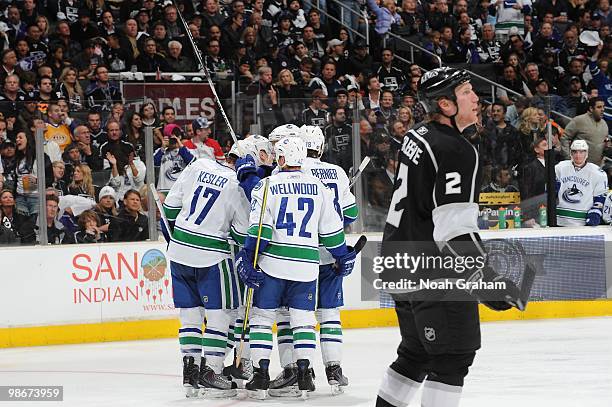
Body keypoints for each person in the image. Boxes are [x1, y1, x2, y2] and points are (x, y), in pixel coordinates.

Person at [377, 67, 523, 407]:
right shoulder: (456, 150)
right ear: (445, 104)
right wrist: (487, 280)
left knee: (415, 354)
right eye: (467, 92)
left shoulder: (417, 135)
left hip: (397, 260)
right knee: (453, 359)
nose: (477, 99)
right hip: (432, 270)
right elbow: (453, 230)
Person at [235, 136, 356, 399]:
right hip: (307, 267)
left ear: (280, 158)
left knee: (262, 319)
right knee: (303, 322)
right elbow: (333, 235)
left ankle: (261, 375)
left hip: (273, 265)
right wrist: (343, 255)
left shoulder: (266, 185)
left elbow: (260, 232)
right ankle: (304, 375)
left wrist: (246, 258)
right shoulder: (319, 187)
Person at [267, 126, 359, 396]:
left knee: (288, 316)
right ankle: (334, 369)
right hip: (329, 254)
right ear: (320, 148)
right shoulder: (337, 172)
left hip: (296, 256)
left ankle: (293, 370)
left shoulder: (283, 173)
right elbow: (350, 214)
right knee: (329, 314)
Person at [162, 152, 250, 398]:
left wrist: (177, 237)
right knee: (219, 315)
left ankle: (190, 372)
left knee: (189, 317)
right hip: (212, 256)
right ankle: (211, 371)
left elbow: (170, 208)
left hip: (179, 251)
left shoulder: (199, 165)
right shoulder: (237, 185)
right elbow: (243, 236)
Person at [555, 139, 608, 226]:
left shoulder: (597, 173)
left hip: (582, 221)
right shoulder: (560, 168)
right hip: (559, 219)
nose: (578, 155)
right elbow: (549, 192)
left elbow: (600, 196)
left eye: (581, 152)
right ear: (571, 153)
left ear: (586, 153)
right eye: (575, 152)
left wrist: (595, 212)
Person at [561, 98, 609, 165]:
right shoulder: (579, 120)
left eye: (603, 107)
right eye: (599, 107)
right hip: (577, 165)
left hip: (595, 167)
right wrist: (568, 158)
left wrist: (606, 147)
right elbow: (565, 138)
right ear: (591, 109)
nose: (602, 109)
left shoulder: (604, 124)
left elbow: (604, 145)